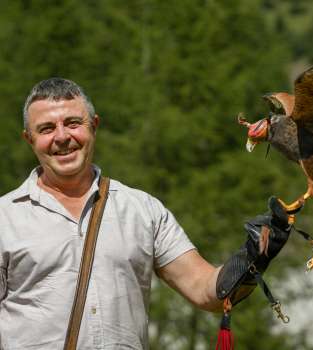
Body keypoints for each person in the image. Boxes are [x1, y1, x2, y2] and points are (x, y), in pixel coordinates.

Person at [0, 78, 291, 350]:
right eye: (47, 128)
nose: (62, 137)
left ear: (94, 126)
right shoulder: (4, 218)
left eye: (73, 123)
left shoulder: (142, 209)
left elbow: (205, 290)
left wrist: (253, 256)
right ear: (29, 138)